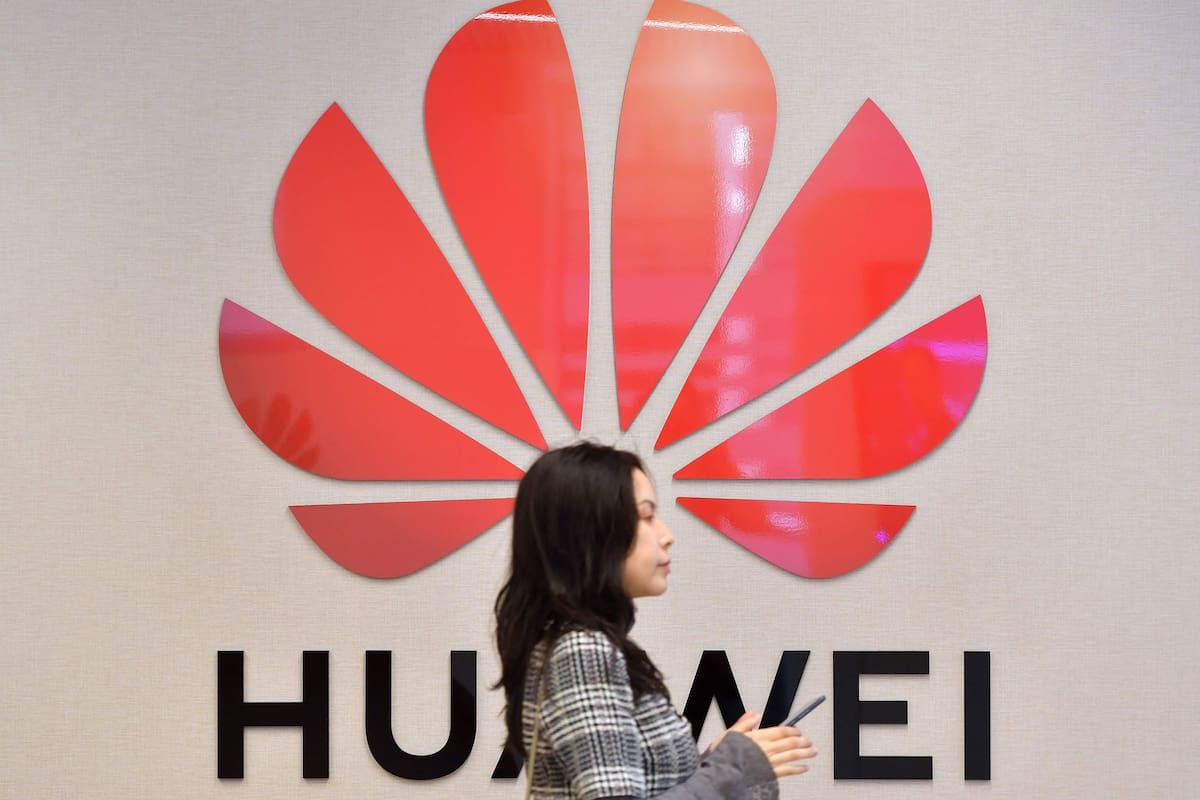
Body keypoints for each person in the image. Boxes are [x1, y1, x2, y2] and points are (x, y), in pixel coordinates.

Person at [494, 442, 817, 799]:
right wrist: (731, 769)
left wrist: (716, 762)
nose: (666, 535)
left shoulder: (579, 643)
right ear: (591, 532)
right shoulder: (583, 651)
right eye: (646, 517)